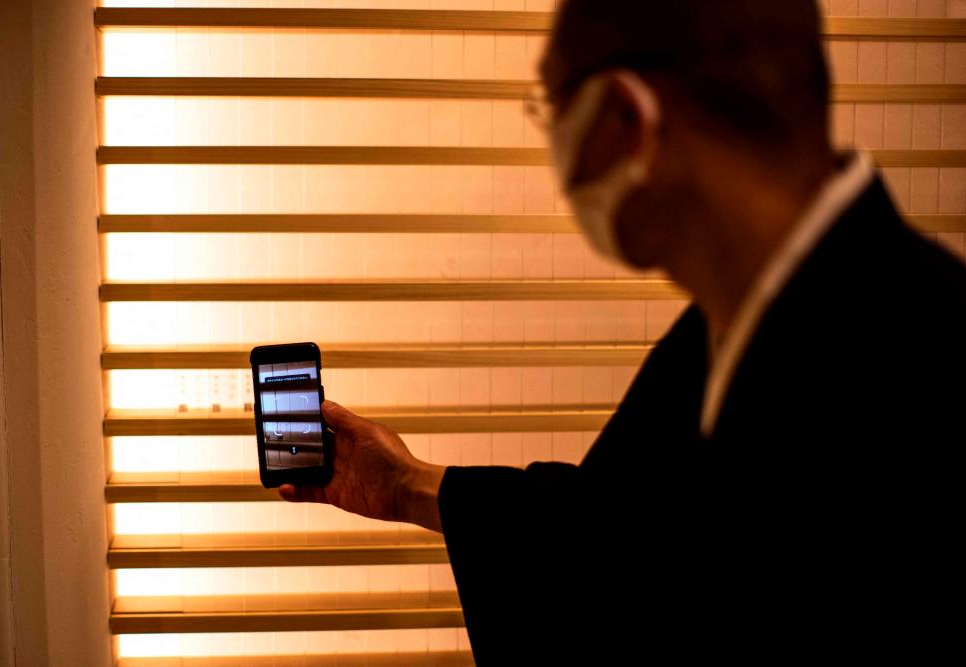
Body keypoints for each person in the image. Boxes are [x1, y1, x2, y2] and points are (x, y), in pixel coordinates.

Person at [281, 1, 966, 663]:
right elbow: (614, 538)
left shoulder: (922, 359)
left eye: (551, 110)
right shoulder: (732, 326)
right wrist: (403, 483)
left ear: (627, 117)